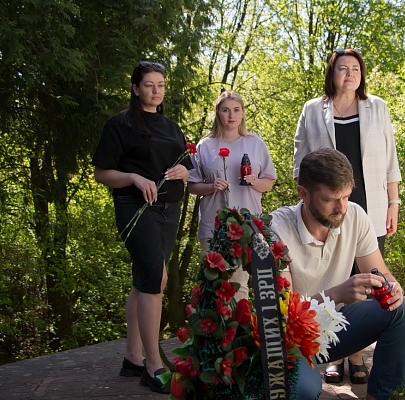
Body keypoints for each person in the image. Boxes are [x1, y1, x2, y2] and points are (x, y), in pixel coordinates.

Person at [270, 148, 405, 400]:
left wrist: (393, 287)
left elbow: (382, 271)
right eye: (330, 199)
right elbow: (282, 313)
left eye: (346, 196)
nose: (341, 208)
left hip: (338, 327)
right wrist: (337, 294)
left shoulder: (355, 215)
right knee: (303, 390)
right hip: (292, 338)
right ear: (303, 193)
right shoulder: (276, 229)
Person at [293, 48, 402, 384]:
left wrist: (394, 201)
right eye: (343, 68)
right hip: (328, 204)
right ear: (332, 73)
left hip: (369, 202)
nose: (350, 73)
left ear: (361, 74)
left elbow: (390, 158)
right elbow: (300, 159)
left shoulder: (377, 107)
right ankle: (334, 354)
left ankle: (355, 351)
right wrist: (307, 199)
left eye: (355, 68)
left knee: (366, 275)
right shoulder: (313, 109)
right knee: (334, 276)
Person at [92, 61, 192, 394]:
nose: (156, 91)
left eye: (160, 85)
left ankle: (133, 357)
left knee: (147, 279)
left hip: (169, 210)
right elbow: (102, 173)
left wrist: (184, 173)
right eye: (149, 85)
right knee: (154, 278)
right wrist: (134, 177)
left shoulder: (172, 127)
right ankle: (153, 364)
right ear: (136, 88)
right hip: (136, 208)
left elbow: (187, 167)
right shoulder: (119, 124)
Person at [188, 91, 277, 300]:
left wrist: (255, 181)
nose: (231, 115)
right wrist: (211, 187)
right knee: (214, 282)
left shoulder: (255, 143)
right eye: (226, 110)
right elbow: (192, 186)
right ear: (218, 113)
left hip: (246, 223)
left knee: (239, 283)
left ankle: (240, 321)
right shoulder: (205, 146)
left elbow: (268, 183)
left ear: (243, 113)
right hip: (214, 223)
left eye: (236, 110)